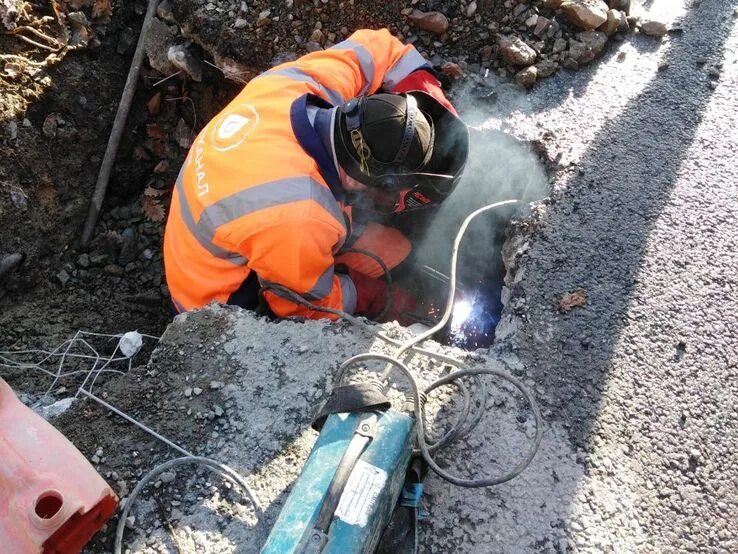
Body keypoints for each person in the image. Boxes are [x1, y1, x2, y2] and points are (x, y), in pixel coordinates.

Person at [163, 28, 468, 322]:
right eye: (389, 196)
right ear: (361, 179)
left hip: (235, 228)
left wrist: (429, 97)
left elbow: (380, 47)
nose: (385, 203)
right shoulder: (300, 215)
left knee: (395, 250)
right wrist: (375, 297)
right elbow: (308, 308)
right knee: (333, 294)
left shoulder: (303, 86)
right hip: (214, 300)